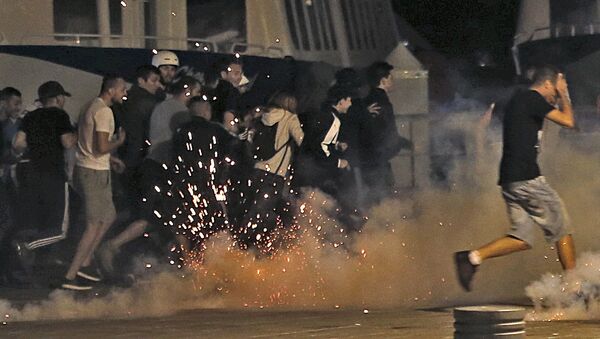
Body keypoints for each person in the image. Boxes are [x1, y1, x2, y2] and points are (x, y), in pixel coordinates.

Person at [454, 65, 577, 292]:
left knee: (521, 236)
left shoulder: (520, 100)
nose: (554, 97)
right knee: (562, 225)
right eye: (555, 91)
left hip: (510, 180)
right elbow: (569, 121)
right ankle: (575, 287)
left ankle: (472, 258)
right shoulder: (533, 98)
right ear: (548, 84)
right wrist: (565, 93)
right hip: (527, 177)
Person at [63, 75, 127, 290]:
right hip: (94, 173)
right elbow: (100, 146)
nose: (124, 93)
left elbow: (87, 141)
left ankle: (86, 262)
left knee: (108, 216)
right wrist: (118, 142)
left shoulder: (88, 106)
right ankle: (71, 275)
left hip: (89, 168)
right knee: (93, 225)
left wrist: (112, 159)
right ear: (111, 90)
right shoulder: (104, 111)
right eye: (121, 90)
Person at [12, 82, 76, 273]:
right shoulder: (60, 115)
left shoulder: (30, 116)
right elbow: (67, 142)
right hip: (53, 173)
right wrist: (80, 133)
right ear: (57, 98)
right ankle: (26, 246)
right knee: (60, 230)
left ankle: (35, 262)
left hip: (30, 172)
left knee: (36, 221)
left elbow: (18, 143)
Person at [238, 92, 304, 250]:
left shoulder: (259, 117)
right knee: (262, 215)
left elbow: (246, 141)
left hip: (255, 172)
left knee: (251, 209)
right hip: (274, 174)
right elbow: (302, 141)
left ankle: (244, 242)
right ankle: (246, 249)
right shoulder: (290, 118)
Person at [170, 95, 233, 247]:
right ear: (206, 112)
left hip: (183, 183)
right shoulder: (215, 130)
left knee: (183, 222)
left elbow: (174, 157)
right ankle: (213, 259)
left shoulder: (180, 131)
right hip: (207, 183)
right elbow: (232, 150)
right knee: (216, 223)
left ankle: (187, 261)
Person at [362, 62, 410, 204]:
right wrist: (406, 144)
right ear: (383, 80)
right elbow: (386, 132)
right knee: (380, 197)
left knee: (378, 195)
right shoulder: (380, 103)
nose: (393, 81)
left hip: (372, 158)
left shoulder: (368, 101)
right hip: (376, 159)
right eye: (390, 78)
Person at [211, 57, 244, 133]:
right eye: (236, 73)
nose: (240, 77)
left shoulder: (215, 91)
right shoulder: (231, 92)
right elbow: (228, 122)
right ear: (223, 74)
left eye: (241, 74)